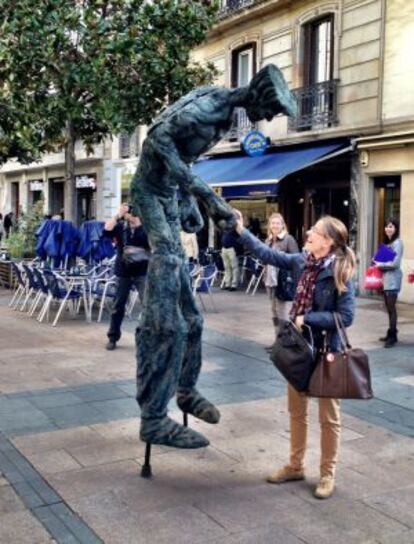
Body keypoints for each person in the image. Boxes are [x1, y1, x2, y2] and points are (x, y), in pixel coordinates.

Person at [130, 63, 297, 449]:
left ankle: (185, 389)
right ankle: (153, 417)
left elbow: (182, 161)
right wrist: (207, 199)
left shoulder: (224, 115)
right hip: (151, 194)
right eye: (271, 109)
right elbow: (156, 141)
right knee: (166, 315)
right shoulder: (207, 108)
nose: (269, 118)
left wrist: (188, 197)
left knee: (193, 319)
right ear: (257, 97)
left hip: (169, 195)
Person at [235, 212, 356, 500]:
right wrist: (241, 231)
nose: (308, 234)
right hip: (299, 351)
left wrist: (308, 318)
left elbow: (346, 316)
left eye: (314, 231)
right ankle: (295, 465)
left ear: (327, 241)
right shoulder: (302, 261)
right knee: (296, 411)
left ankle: (327, 474)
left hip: (328, 352)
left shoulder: (341, 270)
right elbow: (268, 254)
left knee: (329, 419)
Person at [103, 203, 150, 351]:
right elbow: (107, 229)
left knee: (148, 306)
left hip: (142, 271)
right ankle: (112, 337)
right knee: (118, 306)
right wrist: (118, 215)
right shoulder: (121, 227)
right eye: (128, 214)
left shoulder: (148, 229)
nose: (130, 217)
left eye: (132, 214)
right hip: (123, 272)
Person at [264, 213, 298, 351]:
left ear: (283, 225)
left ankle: (285, 342)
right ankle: (278, 340)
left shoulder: (288, 239)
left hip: (282, 281)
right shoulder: (268, 240)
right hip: (269, 280)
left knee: (282, 313)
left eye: (278, 223)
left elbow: (296, 259)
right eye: (273, 223)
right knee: (274, 312)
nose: (275, 226)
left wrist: (280, 257)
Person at [374, 217, 403, 348]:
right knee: (389, 308)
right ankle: (391, 332)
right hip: (386, 279)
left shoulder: (398, 243)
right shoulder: (388, 243)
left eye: (391, 226)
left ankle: (392, 336)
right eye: (386, 226)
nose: (388, 229)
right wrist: (375, 260)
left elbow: (395, 263)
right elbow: (382, 260)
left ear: (396, 228)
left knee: (391, 308)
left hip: (393, 280)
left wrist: (379, 264)